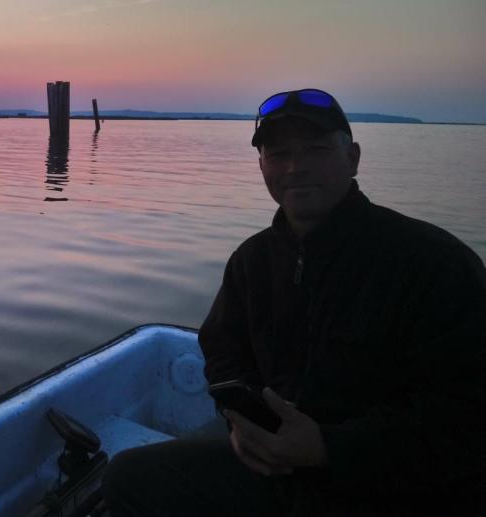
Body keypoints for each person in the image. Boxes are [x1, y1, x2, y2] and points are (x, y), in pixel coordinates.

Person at [102, 88, 486, 516]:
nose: (295, 167)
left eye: (316, 150)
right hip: (277, 471)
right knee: (128, 478)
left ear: (353, 157)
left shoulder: (434, 263)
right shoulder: (251, 261)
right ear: (261, 166)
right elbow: (224, 353)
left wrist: (328, 447)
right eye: (279, 154)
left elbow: (467, 415)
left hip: (393, 486)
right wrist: (242, 424)